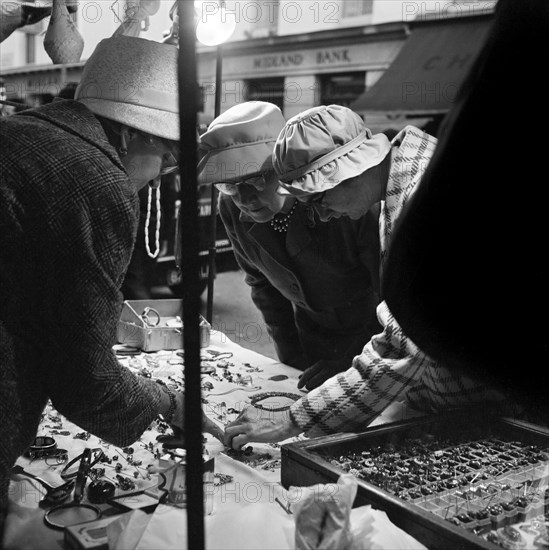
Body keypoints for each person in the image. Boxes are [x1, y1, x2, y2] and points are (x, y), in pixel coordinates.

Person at [0, 34, 220, 527]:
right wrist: (169, 402)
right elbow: (87, 381)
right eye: (167, 154)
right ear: (130, 131)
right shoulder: (96, 177)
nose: (166, 171)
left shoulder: (20, 133)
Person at [224, 104, 511, 449]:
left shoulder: (426, 202)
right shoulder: (401, 185)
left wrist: (293, 419)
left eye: (317, 199)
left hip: (496, 402)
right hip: (448, 397)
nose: (322, 216)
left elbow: (404, 344)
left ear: (352, 168)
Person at [198, 101, 382, 390]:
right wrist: (290, 360)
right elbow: (262, 285)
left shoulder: (340, 198)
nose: (244, 198)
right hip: (310, 339)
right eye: (228, 185)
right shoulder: (231, 208)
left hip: (373, 340)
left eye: (255, 180)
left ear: (284, 167)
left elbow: (388, 296)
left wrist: (353, 364)